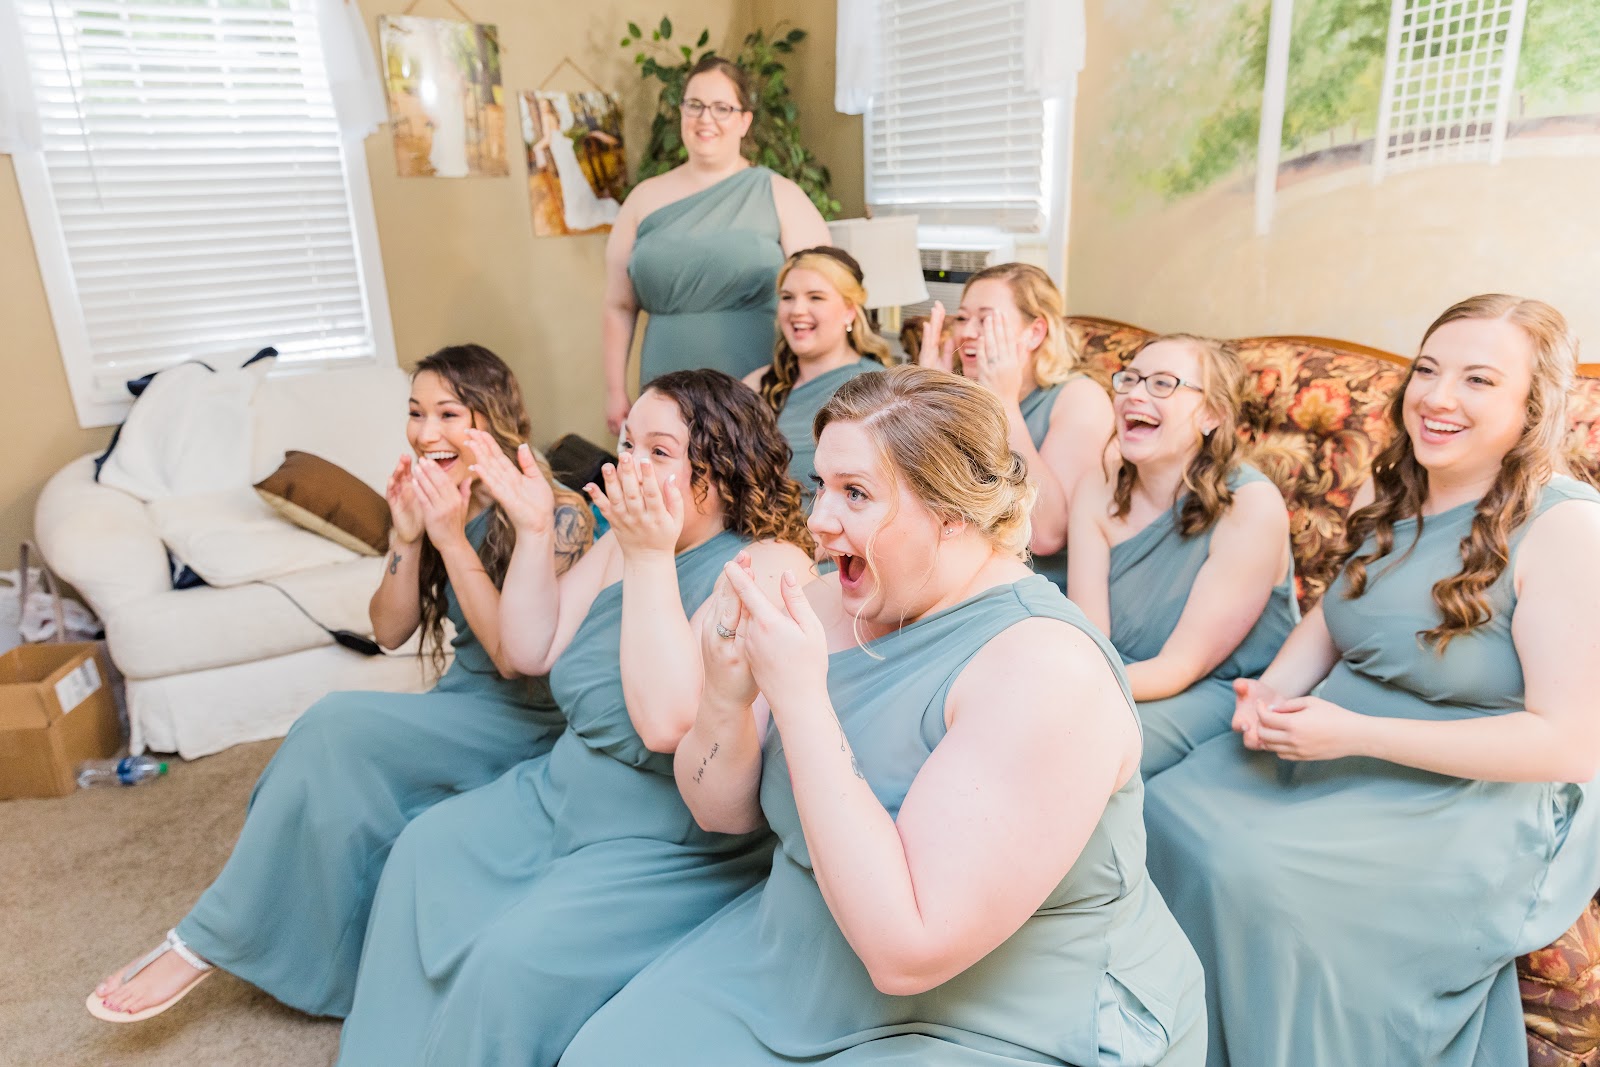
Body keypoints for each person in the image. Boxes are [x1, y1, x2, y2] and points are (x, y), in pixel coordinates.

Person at [560, 365, 1206, 1066]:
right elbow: (720, 812)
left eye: (856, 493)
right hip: (802, 947)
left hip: (1003, 1013)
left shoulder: (1047, 671)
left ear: (953, 513)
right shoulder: (828, 601)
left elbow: (908, 951)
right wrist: (724, 696)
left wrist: (802, 702)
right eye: (822, 486)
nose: (817, 520)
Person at [1144, 295, 1600, 1066]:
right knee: (1161, 808)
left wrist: (1353, 733)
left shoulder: (1567, 528)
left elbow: (1566, 744)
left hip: (1478, 788)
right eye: (1427, 369)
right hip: (1338, 736)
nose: (1438, 397)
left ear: (1534, 404)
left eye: (1479, 379)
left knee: (1256, 876)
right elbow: (1338, 614)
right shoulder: (1388, 488)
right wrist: (1274, 689)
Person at [87, 344, 594, 1023]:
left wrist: (450, 540)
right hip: (460, 703)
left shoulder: (557, 513)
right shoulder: (441, 501)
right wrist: (407, 537)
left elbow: (514, 658)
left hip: (528, 718)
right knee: (331, 759)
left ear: (493, 418)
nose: (426, 432)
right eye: (416, 412)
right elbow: (389, 629)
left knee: (334, 725)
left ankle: (200, 942)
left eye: (449, 413)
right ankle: (297, 950)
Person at [334, 370, 814, 1065]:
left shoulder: (768, 564)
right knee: (423, 851)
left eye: (659, 451)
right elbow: (532, 648)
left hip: (662, 837)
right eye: (627, 445)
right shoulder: (623, 541)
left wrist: (648, 557)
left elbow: (668, 721)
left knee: (510, 960)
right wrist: (534, 528)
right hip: (559, 790)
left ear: (717, 472)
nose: (630, 466)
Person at [1068, 334, 1297, 779]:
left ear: (1213, 414)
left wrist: (1066, 689)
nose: (1135, 394)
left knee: (1082, 748)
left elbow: (1180, 667)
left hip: (1216, 689)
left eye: (1162, 383)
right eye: (1130, 379)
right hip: (1112, 671)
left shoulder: (1251, 506)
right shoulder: (1098, 484)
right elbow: (1090, 637)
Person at [602, 53, 831, 433]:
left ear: (744, 121)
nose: (705, 118)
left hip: (756, 393)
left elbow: (826, 295)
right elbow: (619, 305)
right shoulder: (643, 199)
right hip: (662, 389)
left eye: (722, 108)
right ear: (681, 112)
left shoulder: (781, 195)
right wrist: (615, 392)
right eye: (695, 105)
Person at [919, 262, 1114, 590]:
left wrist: (1005, 405)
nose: (967, 332)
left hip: (1035, 586)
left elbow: (1047, 534)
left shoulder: (1080, 397)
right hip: (958, 575)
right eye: (962, 318)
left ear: (1034, 333)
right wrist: (932, 400)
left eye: (986, 320)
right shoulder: (968, 396)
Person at [742, 245, 891, 496]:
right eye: (787, 297)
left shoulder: (876, 389)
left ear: (849, 311)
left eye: (816, 297)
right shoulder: (757, 384)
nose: (797, 310)